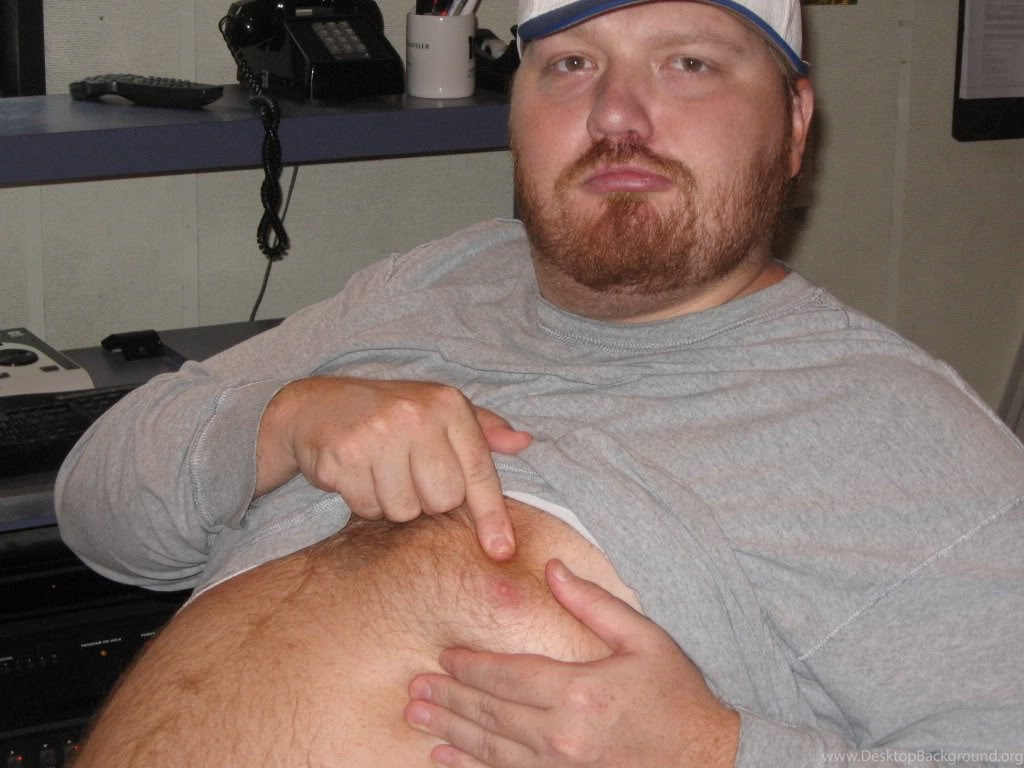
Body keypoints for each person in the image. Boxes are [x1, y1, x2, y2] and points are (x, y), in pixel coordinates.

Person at [56, 0, 1024, 765]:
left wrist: (714, 752)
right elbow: (93, 511)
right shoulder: (426, 284)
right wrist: (283, 423)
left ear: (795, 123)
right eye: (570, 65)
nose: (616, 115)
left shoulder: (902, 434)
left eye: (689, 63)